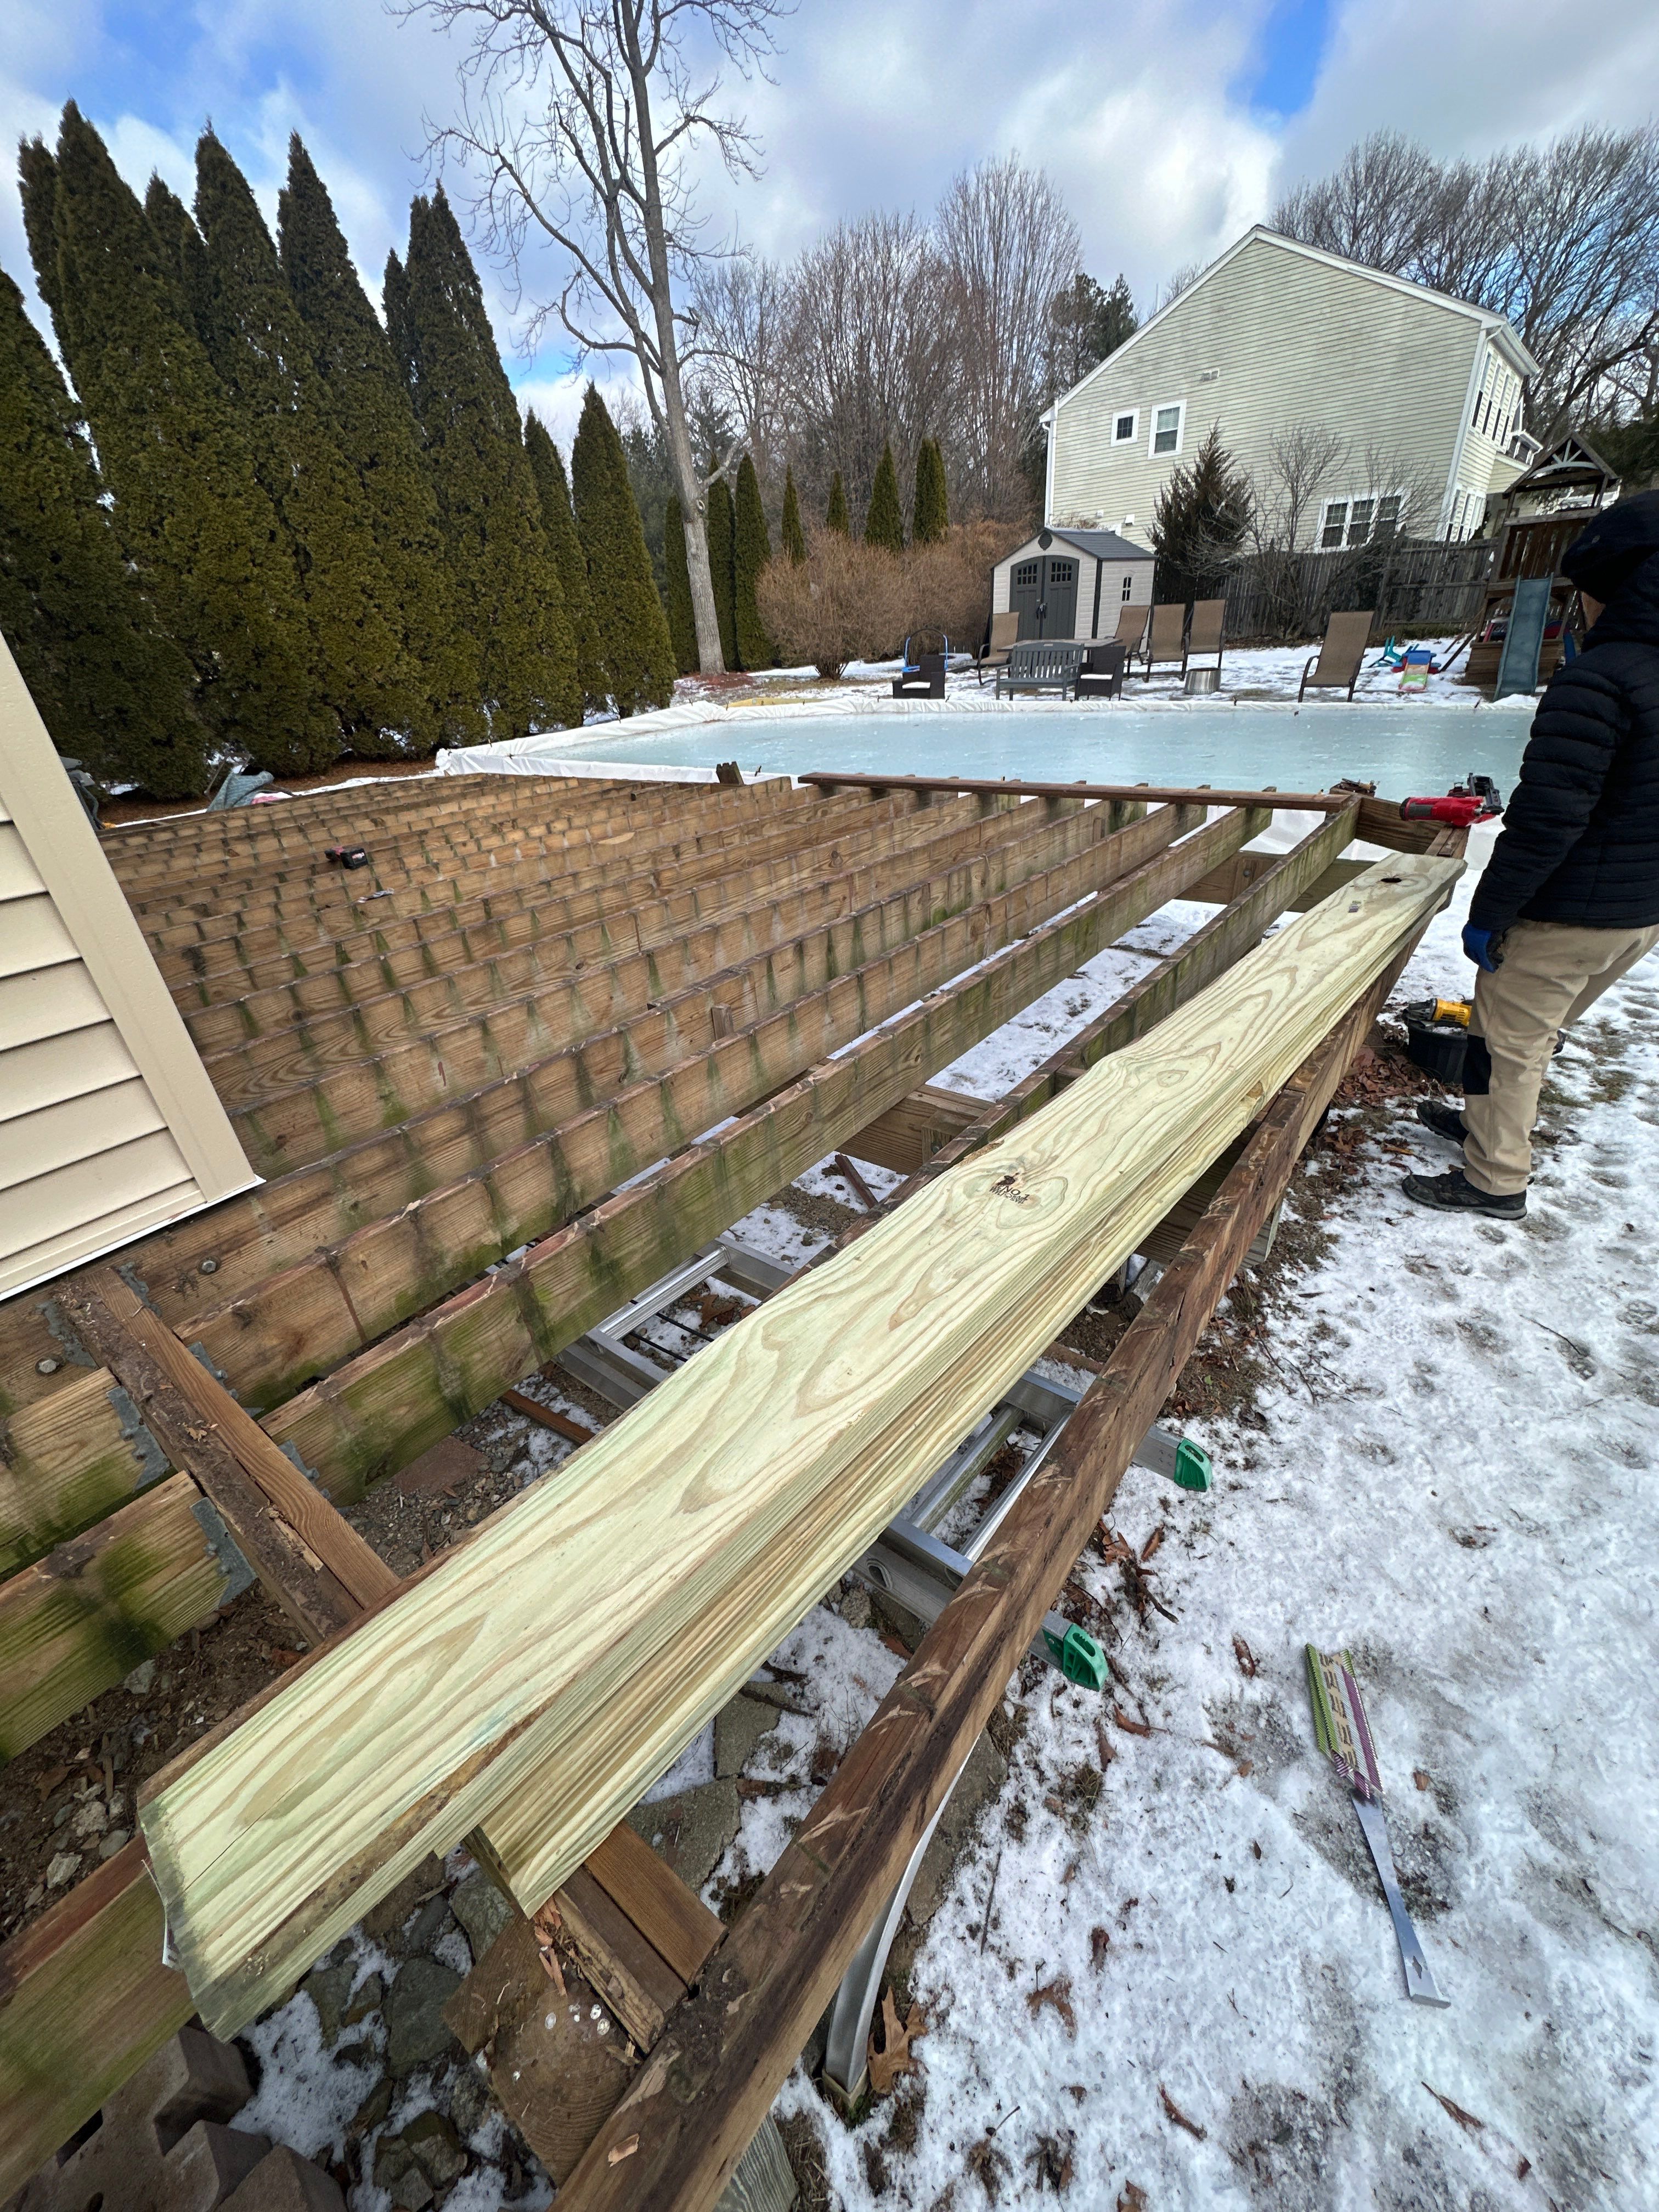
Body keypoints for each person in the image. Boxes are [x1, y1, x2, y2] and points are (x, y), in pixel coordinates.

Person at [1402, 491, 1659, 1218]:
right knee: (1510, 1031)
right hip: (1638, 912)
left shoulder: (1600, 680)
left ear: (1611, 593)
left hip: (1571, 910)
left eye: (1583, 596)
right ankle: (1482, 1124)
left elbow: (1549, 819)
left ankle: (1494, 1180)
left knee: (1513, 1046)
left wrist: (1491, 911)